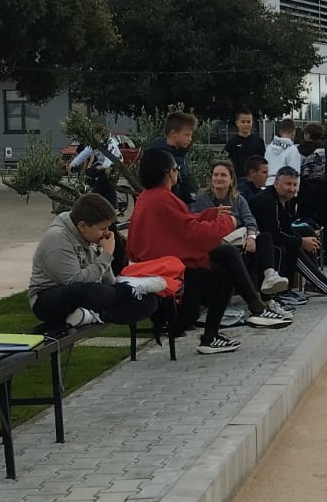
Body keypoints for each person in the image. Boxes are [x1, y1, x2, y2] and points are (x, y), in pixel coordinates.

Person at [126, 146, 243, 354]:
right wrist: (227, 223)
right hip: (166, 272)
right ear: (168, 173)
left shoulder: (148, 197)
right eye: (176, 169)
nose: (177, 173)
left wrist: (211, 215)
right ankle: (216, 332)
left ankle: (255, 307)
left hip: (158, 266)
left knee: (227, 255)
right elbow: (190, 233)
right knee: (225, 273)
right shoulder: (162, 198)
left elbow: (182, 223)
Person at [28, 193, 163, 329]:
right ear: (83, 226)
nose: (106, 233)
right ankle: (129, 289)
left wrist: (105, 258)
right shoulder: (57, 239)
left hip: (85, 296)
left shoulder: (86, 234)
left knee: (149, 302)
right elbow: (74, 281)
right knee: (80, 290)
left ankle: (95, 316)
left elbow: (108, 282)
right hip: (49, 300)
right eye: (103, 228)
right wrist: (106, 254)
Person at [192, 160, 294, 330]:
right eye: (215, 175)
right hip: (216, 245)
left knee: (265, 238)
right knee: (244, 253)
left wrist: (251, 237)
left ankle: (269, 278)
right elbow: (196, 224)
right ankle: (262, 304)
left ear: (231, 179)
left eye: (223, 175)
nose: (219, 178)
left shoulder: (237, 199)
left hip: (240, 242)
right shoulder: (202, 200)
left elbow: (250, 221)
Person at [249, 166, 327, 304]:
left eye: (295, 185)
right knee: (291, 246)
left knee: (305, 232)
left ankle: (315, 284)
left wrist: (303, 240)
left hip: (269, 239)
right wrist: (301, 242)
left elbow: (287, 229)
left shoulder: (283, 200)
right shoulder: (266, 200)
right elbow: (273, 234)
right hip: (258, 243)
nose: (292, 189)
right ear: (276, 184)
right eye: (288, 184)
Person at [297, 122, 327, 266]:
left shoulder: (298, 149)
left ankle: (308, 253)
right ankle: (326, 253)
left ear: (307, 134)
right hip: (323, 190)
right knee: (325, 223)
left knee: (304, 222)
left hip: (304, 190)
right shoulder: (326, 149)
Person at [147, 112, 198, 207]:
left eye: (191, 135)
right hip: (168, 205)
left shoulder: (181, 154)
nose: (190, 139)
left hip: (183, 204)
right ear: (173, 133)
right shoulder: (158, 156)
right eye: (187, 135)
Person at [68, 134, 122, 208]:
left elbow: (109, 158)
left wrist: (104, 166)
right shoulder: (93, 144)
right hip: (101, 164)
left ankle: (114, 206)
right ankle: (98, 194)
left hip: (114, 164)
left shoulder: (110, 143)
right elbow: (84, 154)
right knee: (89, 174)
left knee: (106, 180)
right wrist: (73, 164)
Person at [224, 110, 265, 175]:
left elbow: (263, 162)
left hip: (255, 177)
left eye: (248, 122)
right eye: (243, 122)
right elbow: (225, 161)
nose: (246, 124)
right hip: (238, 178)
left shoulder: (259, 142)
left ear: (252, 123)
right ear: (237, 123)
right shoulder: (232, 142)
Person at [265, 118, 302, 182]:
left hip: (267, 182)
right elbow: (295, 174)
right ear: (294, 133)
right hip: (283, 184)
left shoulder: (269, 148)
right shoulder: (292, 150)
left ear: (280, 132)